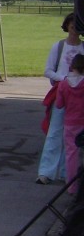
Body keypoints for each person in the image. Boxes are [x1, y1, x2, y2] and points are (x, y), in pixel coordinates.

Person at [37, 13, 83, 184]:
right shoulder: (59, 46)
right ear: (67, 25)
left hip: (79, 96)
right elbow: (48, 70)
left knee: (73, 136)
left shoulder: (83, 47)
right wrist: (64, 79)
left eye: (77, 25)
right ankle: (46, 172)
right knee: (55, 132)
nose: (74, 28)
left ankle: (67, 173)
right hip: (62, 92)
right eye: (71, 24)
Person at [55, 53, 84, 195]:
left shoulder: (64, 84)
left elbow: (59, 105)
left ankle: (72, 187)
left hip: (70, 123)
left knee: (71, 155)